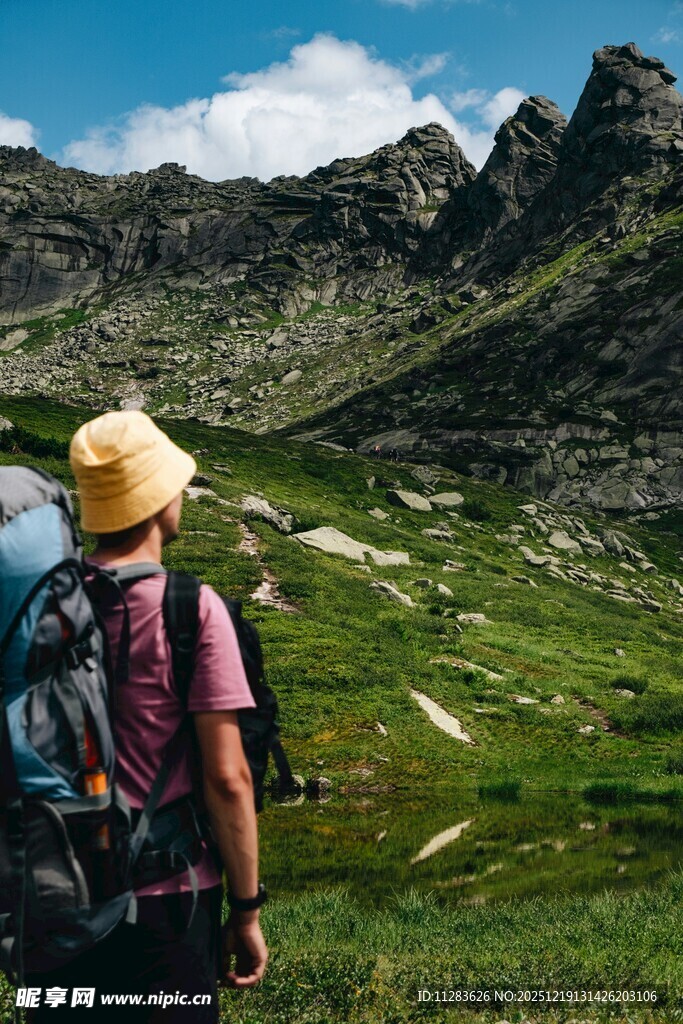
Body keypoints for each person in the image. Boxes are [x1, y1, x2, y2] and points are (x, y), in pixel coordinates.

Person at [26, 410, 267, 1021]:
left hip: (55, 897)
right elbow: (228, 778)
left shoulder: (39, 607)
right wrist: (246, 910)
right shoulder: (192, 608)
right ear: (160, 500)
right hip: (168, 901)